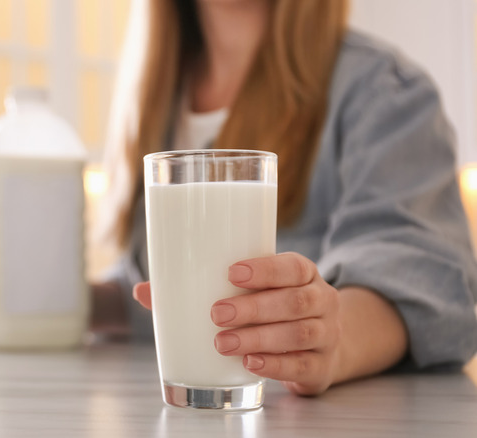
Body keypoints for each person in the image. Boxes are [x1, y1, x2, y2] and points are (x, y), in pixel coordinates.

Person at [90, 0, 477, 396]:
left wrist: (330, 338)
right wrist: (70, 303)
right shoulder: (156, 99)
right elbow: (153, 291)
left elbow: (419, 272)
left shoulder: (381, 89)